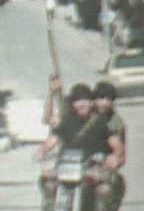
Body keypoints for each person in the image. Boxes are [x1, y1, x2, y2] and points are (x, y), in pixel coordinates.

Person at [38, 83, 108, 211]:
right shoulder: (66, 120)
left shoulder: (100, 121)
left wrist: (109, 159)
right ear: (73, 104)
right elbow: (53, 138)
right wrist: (42, 151)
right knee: (47, 183)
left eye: (85, 100)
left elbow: (111, 143)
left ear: (91, 102)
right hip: (67, 164)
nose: (81, 104)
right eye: (77, 101)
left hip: (92, 164)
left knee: (103, 189)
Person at [87, 82, 126, 211]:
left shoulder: (116, 123)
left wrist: (112, 162)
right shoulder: (84, 116)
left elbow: (122, 156)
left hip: (102, 169)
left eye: (108, 99)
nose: (104, 103)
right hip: (79, 166)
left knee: (108, 189)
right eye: (100, 98)